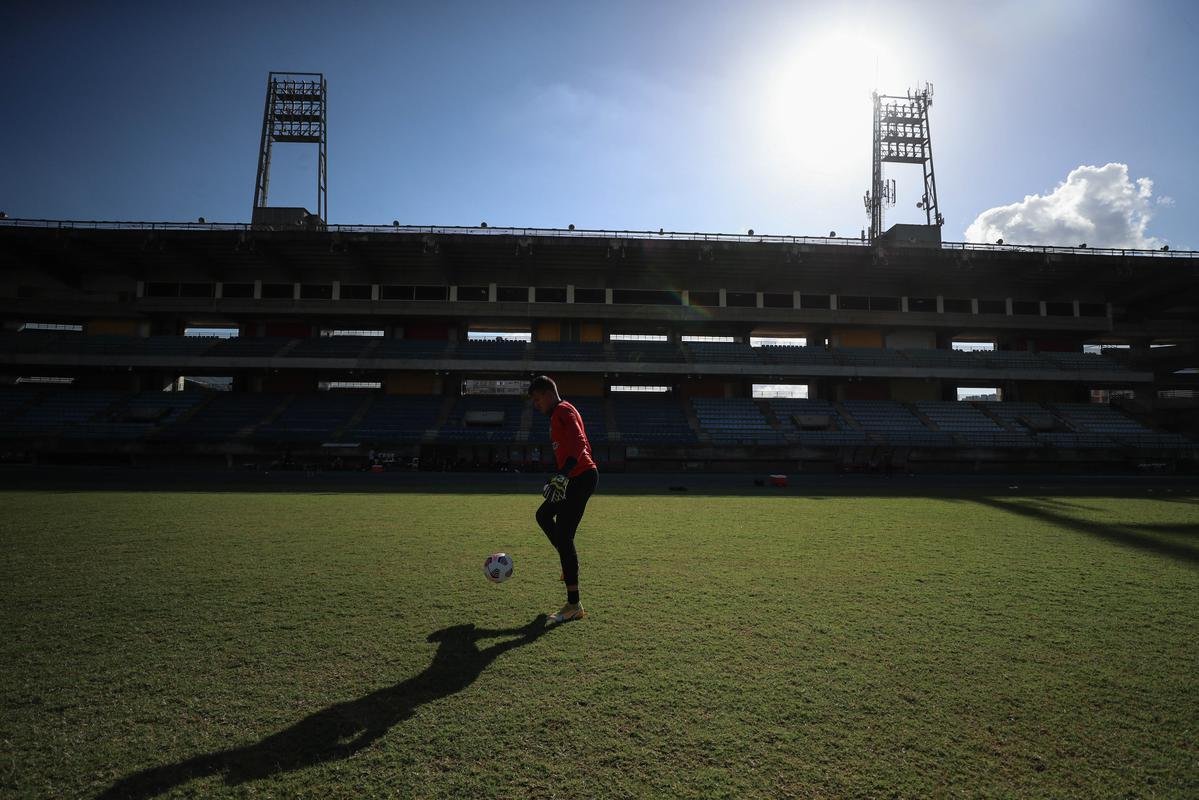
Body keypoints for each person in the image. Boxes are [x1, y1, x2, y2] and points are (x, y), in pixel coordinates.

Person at [528, 375, 598, 623]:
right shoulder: (560, 412)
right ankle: (567, 564)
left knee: (565, 536)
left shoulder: (562, 410)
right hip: (575, 477)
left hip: (580, 477)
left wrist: (565, 473)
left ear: (548, 394)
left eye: (537, 400)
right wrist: (562, 474)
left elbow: (580, 442)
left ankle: (573, 605)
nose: (536, 405)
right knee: (544, 515)